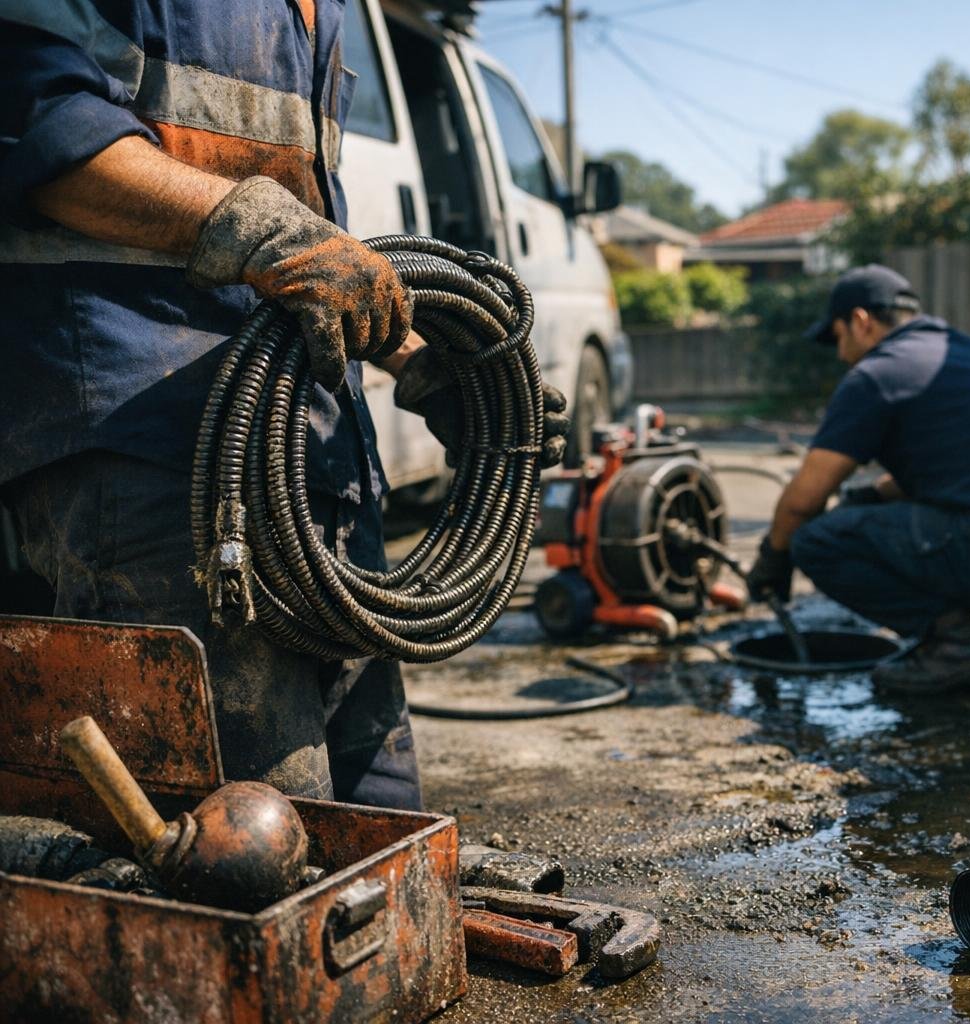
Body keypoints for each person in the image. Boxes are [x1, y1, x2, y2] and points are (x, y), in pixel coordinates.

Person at [0, 2, 563, 809]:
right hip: (156, 449)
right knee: (254, 845)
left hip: (319, 450)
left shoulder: (318, 12)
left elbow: (309, 247)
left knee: (380, 824)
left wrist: (423, 362)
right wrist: (259, 231)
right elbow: (36, 127)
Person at [745, 265, 970, 694]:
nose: (841, 354)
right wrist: (871, 494)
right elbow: (964, 469)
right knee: (951, 519)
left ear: (861, 322)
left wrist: (774, 557)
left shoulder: (875, 376)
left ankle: (958, 647)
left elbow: (802, 501)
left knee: (817, 540)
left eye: (838, 337)